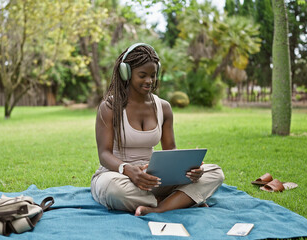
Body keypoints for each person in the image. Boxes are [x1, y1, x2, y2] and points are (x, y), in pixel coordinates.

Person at [90, 43, 224, 216]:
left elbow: (171, 151)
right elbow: (104, 155)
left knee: (215, 173)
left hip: (153, 178)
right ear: (127, 74)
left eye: (153, 75)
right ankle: (181, 200)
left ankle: (160, 207)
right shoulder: (109, 107)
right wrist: (128, 169)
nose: (149, 81)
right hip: (117, 175)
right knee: (115, 191)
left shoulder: (164, 107)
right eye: (142, 75)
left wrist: (189, 170)